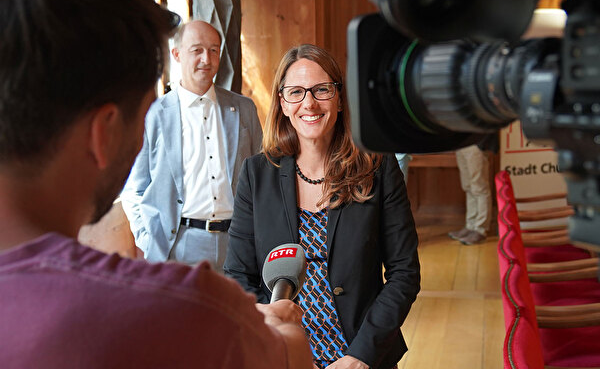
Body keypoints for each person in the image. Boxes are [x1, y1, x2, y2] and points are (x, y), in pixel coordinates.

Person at [0, 0, 312, 368]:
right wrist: (275, 328)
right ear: (104, 133)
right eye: (140, 114)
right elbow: (288, 355)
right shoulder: (163, 312)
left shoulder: (241, 110)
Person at [224, 44, 421, 369]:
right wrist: (283, 347)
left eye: (321, 90)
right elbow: (238, 274)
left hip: (362, 356)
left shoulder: (377, 166)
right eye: (296, 92)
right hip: (282, 355)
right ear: (283, 104)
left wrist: (359, 357)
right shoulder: (257, 174)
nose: (309, 103)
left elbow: (404, 273)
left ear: (340, 98)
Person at [121, 19, 263, 271]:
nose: (206, 59)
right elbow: (135, 188)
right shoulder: (153, 114)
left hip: (238, 242)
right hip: (178, 244)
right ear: (176, 54)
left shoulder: (243, 109)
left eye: (213, 50)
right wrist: (148, 238)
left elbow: (261, 178)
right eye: (196, 50)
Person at [448, 133, 498, 245]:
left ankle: (480, 229)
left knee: (479, 187)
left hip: (476, 142)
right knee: (468, 186)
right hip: (462, 142)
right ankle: (470, 225)